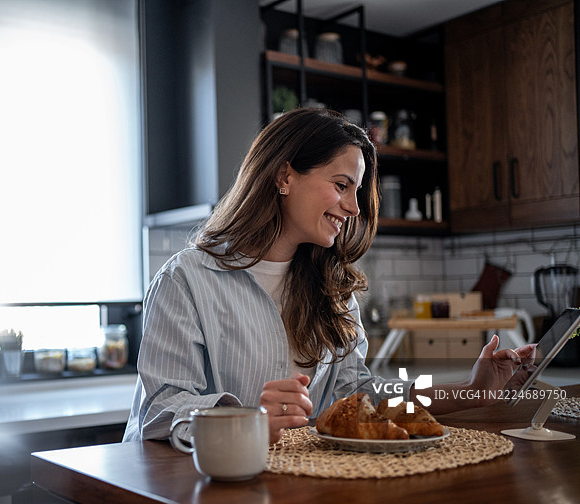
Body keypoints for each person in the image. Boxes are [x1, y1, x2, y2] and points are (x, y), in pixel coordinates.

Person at [123, 108, 535, 444]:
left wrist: (468, 391)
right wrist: (243, 421)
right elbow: (163, 409)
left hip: (291, 488)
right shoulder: (187, 279)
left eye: (356, 191)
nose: (354, 207)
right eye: (342, 185)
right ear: (284, 177)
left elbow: (359, 397)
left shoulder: (332, 288)